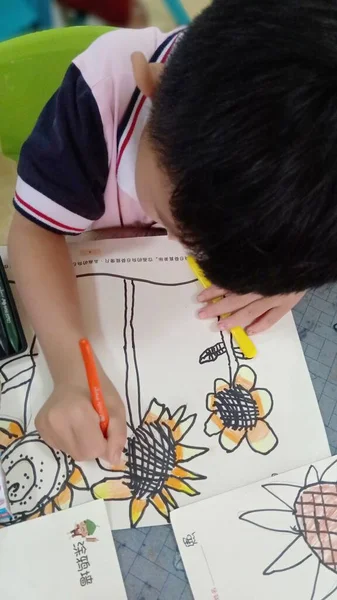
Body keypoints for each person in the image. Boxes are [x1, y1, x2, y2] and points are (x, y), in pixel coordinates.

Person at [9, 0, 337, 463]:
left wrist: (288, 272)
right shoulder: (99, 100)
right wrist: (71, 368)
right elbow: (33, 232)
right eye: (175, 224)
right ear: (152, 87)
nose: (188, 252)